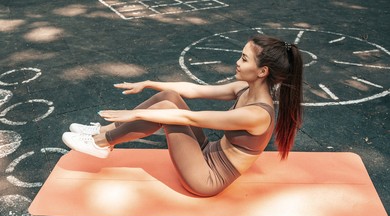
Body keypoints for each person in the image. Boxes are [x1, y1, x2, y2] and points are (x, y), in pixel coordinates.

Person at [62, 34, 303, 197]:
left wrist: (133, 116)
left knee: (165, 111)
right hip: (207, 153)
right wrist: (148, 83)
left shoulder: (258, 114)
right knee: (169, 96)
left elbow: (191, 118)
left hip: (207, 178)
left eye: (243, 58)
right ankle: (101, 131)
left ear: (262, 71)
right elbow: (194, 90)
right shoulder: (244, 89)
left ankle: (102, 143)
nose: (237, 62)